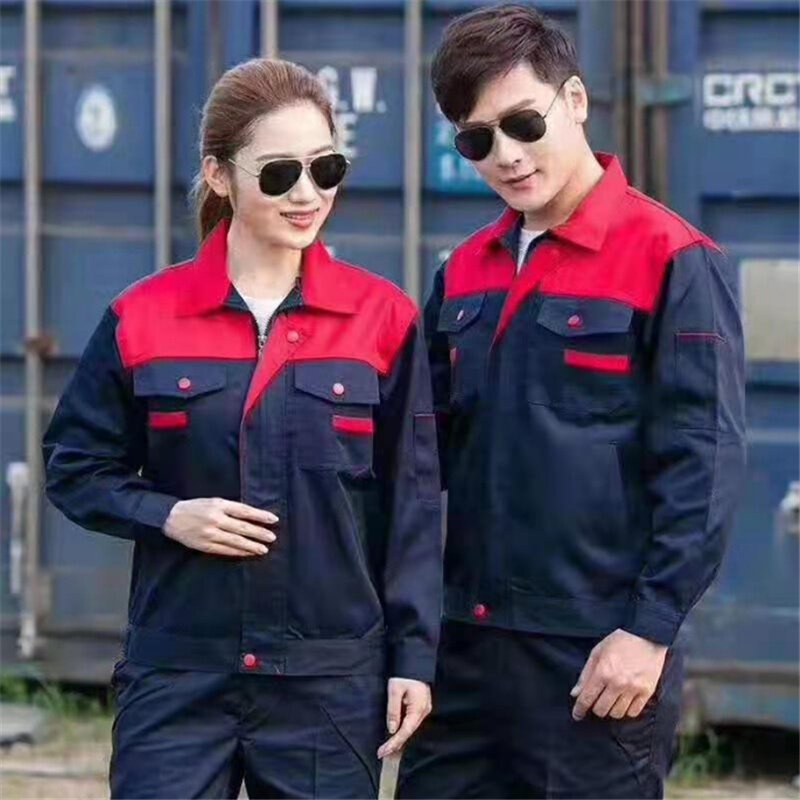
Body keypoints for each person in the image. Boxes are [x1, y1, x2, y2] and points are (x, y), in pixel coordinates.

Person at [43, 58, 442, 799]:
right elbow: (74, 468)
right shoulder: (143, 317)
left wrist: (414, 658)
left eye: (326, 168)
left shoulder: (382, 320)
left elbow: (413, 505)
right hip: (179, 672)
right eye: (280, 173)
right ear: (219, 175)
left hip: (327, 681)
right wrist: (168, 515)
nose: (307, 194)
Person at [397, 5, 746, 799]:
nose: (507, 155)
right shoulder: (465, 272)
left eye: (524, 123)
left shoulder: (673, 259)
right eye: (477, 140)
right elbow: (414, 452)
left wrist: (649, 632)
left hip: (597, 658)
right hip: (464, 651)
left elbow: (704, 466)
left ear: (577, 100)